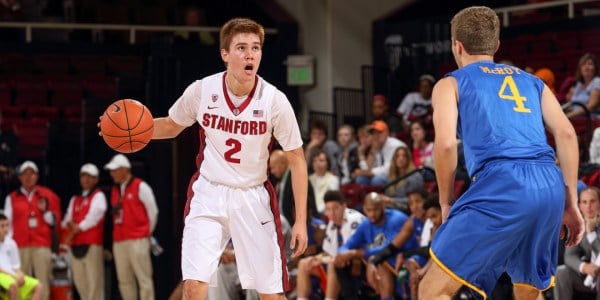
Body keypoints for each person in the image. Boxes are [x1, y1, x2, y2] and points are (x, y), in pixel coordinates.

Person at [418, 6, 583, 300]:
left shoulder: (450, 83)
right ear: (495, 46)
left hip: (502, 182)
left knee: (431, 290)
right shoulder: (534, 82)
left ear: (456, 45)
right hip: (548, 183)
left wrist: (445, 202)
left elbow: (444, 146)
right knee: (528, 292)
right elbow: (568, 134)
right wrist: (570, 202)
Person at [148, 18, 308, 300]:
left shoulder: (274, 100)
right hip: (209, 191)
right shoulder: (202, 90)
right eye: (242, 47)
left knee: (270, 294)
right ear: (224, 53)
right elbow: (172, 125)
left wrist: (301, 220)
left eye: (256, 48)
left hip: (252, 195)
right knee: (194, 285)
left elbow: (296, 158)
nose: (250, 55)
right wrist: (137, 131)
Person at [334, 192, 410, 300]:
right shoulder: (366, 223)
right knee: (340, 263)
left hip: (402, 257)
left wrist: (357, 254)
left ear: (383, 207)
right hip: (380, 259)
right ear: (364, 209)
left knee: (380, 262)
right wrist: (342, 254)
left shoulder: (396, 218)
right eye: (369, 210)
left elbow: (389, 248)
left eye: (375, 209)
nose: (372, 214)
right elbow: (348, 245)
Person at [4, 160, 61, 300]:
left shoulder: (48, 195)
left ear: (37, 176)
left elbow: (55, 221)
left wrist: (45, 210)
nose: (28, 177)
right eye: (25, 173)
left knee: (43, 283)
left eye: (32, 173)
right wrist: (8, 248)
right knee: (20, 282)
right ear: (19, 177)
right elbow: (6, 224)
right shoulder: (11, 198)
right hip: (19, 247)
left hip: (41, 245)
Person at [104, 154, 158, 300]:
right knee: (124, 280)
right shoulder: (115, 190)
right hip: (119, 240)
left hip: (137, 239)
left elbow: (153, 211)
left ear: (125, 169)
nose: (112, 173)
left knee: (144, 278)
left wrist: (146, 231)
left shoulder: (140, 186)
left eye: (115, 170)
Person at [295, 190, 365, 300]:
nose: (331, 213)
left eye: (335, 208)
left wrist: (325, 258)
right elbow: (329, 252)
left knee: (333, 263)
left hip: (360, 261)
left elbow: (356, 249)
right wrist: (317, 258)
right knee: (305, 263)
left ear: (344, 206)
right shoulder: (332, 223)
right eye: (328, 209)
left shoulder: (353, 219)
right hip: (340, 260)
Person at [61, 163, 107, 300]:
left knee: (94, 284)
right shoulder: (75, 199)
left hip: (92, 244)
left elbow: (94, 216)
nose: (86, 179)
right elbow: (66, 220)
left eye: (90, 177)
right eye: (84, 176)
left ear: (96, 180)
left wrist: (77, 227)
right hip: (75, 246)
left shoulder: (99, 196)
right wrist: (72, 225)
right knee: (80, 283)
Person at [554, 186, 600, 300]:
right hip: (586, 277)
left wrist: (591, 234)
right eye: (584, 202)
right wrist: (584, 267)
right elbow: (569, 255)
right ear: (579, 206)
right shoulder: (577, 225)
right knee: (561, 272)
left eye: (592, 201)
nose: (588, 206)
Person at [0, 213, 43, 300]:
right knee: (13, 285)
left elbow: (16, 266)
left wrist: (20, 274)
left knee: (38, 286)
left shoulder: (12, 243)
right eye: (2, 226)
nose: (5, 229)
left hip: (11, 274)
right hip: (3, 274)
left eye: (7, 225)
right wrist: (14, 276)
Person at [353, 121, 406, 186]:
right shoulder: (376, 145)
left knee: (377, 180)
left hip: (399, 175)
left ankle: (377, 196)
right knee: (361, 178)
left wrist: (367, 172)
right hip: (383, 175)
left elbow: (389, 169)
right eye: (374, 133)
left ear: (387, 133)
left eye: (380, 132)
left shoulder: (394, 145)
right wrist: (364, 153)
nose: (376, 136)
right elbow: (367, 170)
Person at [565, 53, 600, 117]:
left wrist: (570, 115)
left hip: (591, 121)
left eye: (590, 64)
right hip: (577, 120)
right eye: (583, 64)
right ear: (580, 68)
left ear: (595, 68)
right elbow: (573, 104)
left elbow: (592, 106)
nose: (586, 67)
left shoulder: (597, 81)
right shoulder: (579, 84)